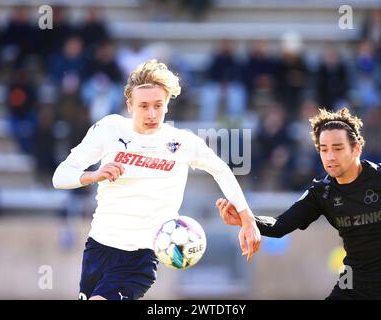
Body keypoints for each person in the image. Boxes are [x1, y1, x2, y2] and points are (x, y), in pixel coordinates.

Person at [52, 59, 260, 300]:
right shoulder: (109, 129)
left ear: (167, 105)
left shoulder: (182, 142)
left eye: (158, 105)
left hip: (140, 258)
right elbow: (60, 176)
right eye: (143, 106)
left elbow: (221, 170)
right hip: (99, 248)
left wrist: (247, 218)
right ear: (129, 105)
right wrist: (94, 175)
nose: (151, 114)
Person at [217, 107, 381, 300]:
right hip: (352, 282)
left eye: (338, 148)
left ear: (356, 148)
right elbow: (280, 226)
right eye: (324, 149)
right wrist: (246, 219)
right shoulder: (322, 193)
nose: (330, 156)